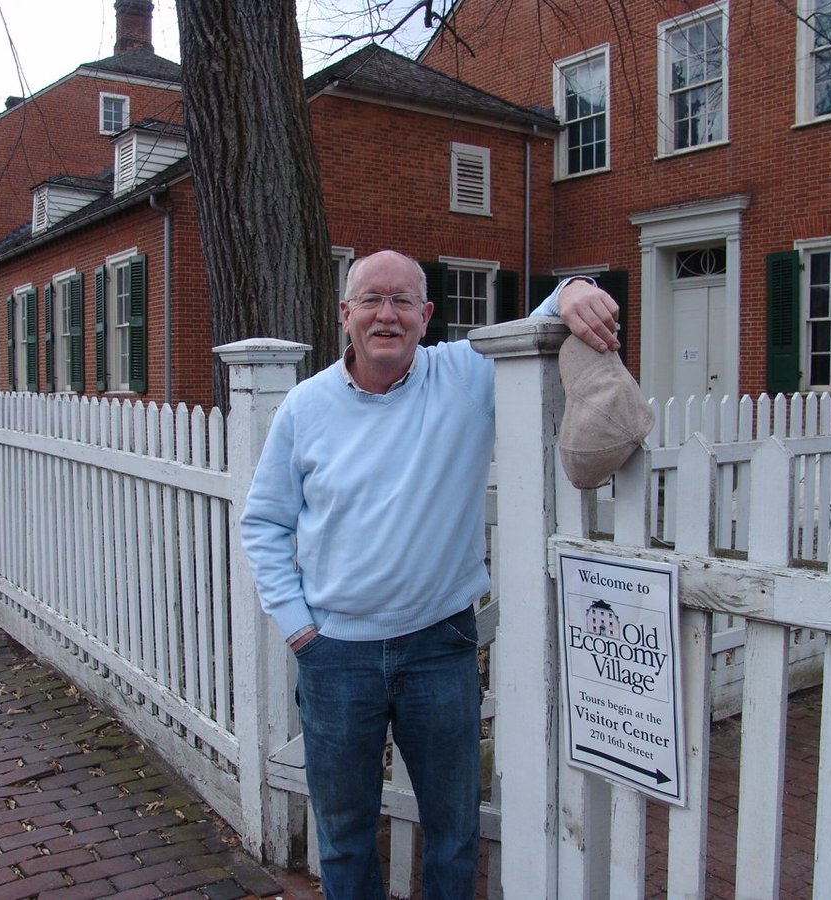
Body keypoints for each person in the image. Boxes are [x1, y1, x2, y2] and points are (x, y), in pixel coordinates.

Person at [240, 250, 620, 900]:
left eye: (402, 301)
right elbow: (264, 524)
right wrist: (301, 630)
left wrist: (578, 288)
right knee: (344, 833)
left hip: (438, 651)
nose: (386, 314)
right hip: (335, 659)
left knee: (453, 830)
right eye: (371, 299)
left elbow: (545, 312)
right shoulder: (305, 407)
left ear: (426, 315)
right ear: (346, 314)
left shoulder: (465, 377)